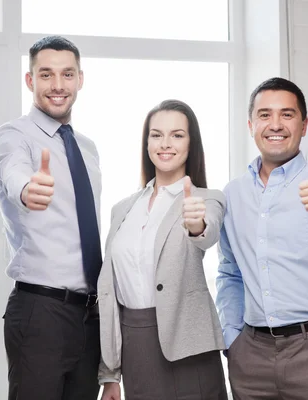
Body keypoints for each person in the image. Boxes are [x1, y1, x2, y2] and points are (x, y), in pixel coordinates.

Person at [215, 77, 308, 400]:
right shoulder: (233, 194)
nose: (275, 124)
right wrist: (232, 338)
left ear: (304, 125)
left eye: (287, 114)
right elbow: (230, 272)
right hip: (250, 355)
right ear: (251, 124)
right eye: (265, 115)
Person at [0, 35, 102, 400]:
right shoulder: (13, 136)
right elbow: (13, 173)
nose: (58, 85)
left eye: (67, 74)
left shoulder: (87, 148)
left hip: (88, 314)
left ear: (80, 80)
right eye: (46, 75)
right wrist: (27, 188)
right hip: (40, 312)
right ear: (30, 80)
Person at [99, 100, 228, 400]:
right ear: (146, 143)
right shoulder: (122, 210)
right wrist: (110, 372)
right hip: (136, 347)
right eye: (156, 135)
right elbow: (109, 291)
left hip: (189, 347)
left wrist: (196, 225)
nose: (165, 144)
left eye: (177, 135)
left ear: (191, 143)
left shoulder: (207, 199)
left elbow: (206, 233)